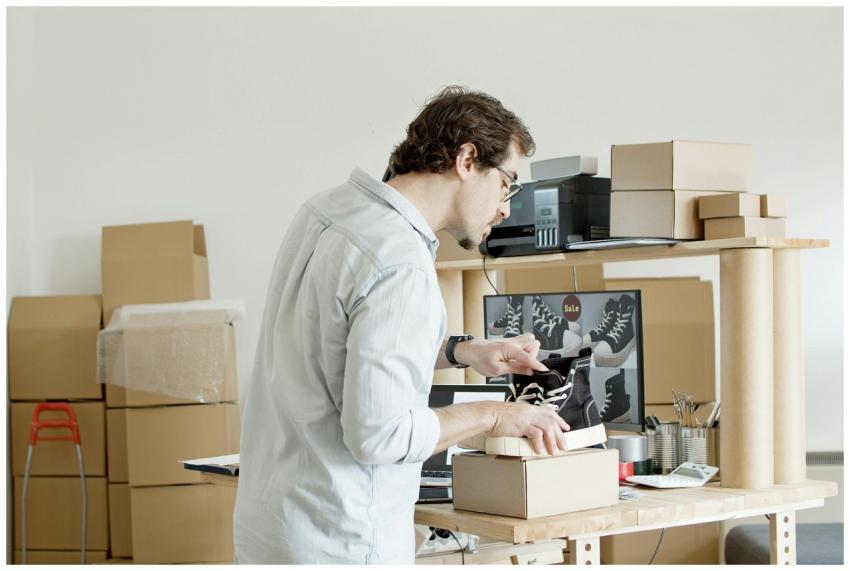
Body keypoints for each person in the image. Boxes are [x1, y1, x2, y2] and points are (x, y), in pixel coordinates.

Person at [233, 86, 570, 564]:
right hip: (340, 540)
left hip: (272, 529)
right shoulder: (400, 264)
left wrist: (460, 351)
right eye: (507, 184)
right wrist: (494, 414)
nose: (506, 207)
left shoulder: (325, 211)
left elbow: (334, 346)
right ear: (467, 159)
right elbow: (379, 435)